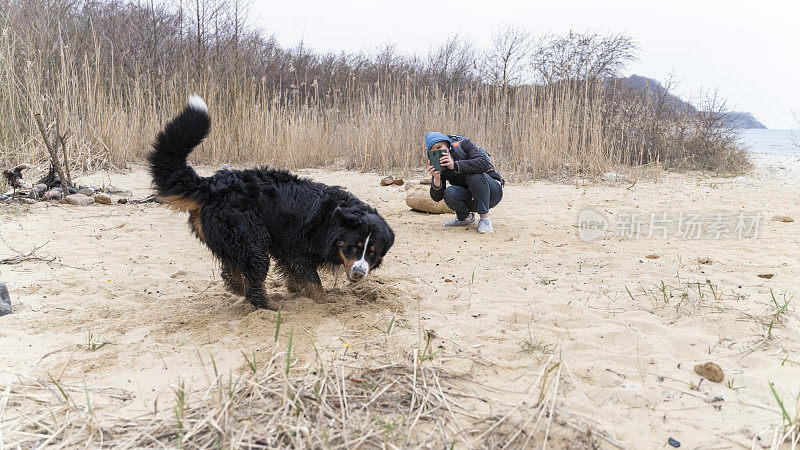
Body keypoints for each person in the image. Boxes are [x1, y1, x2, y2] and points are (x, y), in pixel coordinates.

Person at [426, 132, 504, 233]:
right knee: (450, 192)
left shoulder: (463, 145)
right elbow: (437, 198)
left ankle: (485, 219)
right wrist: (436, 179)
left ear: (447, 144)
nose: (439, 152)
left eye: (440, 147)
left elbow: (483, 163)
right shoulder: (440, 164)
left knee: (474, 175)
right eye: (434, 151)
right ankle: (466, 218)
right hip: (471, 199)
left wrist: (455, 165)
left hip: (492, 193)